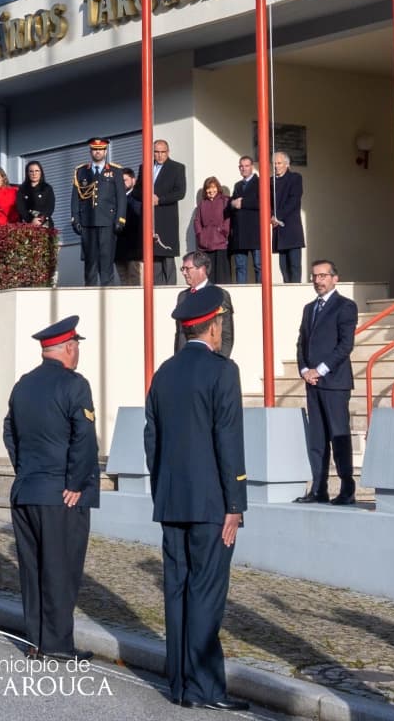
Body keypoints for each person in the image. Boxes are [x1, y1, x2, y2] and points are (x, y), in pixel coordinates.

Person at [146, 285, 249, 711]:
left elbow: (152, 438)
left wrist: (162, 490)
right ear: (213, 326)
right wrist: (235, 503)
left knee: (177, 591)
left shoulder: (164, 372)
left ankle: (179, 684)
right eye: (220, 323)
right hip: (211, 504)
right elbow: (228, 439)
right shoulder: (223, 371)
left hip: (172, 500)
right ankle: (205, 687)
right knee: (206, 592)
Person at [3, 315, 99, 660]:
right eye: (77, 347)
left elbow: (9, 432)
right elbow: (84, 438)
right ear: (69, 348)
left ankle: (37, 640)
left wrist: (24, 470)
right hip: (61, 494)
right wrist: (76, 482)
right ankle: (57, 644)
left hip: (27, 490)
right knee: (61, 567)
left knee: (32, 569)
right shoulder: (75, 385)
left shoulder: (23, 385)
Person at [295, 260, 357, 505]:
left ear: (334, 278)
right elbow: (301, 342)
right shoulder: (309, 308)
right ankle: (319, 488)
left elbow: (345, 345)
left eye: (323, 276)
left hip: (334, 382)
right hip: (312, 383)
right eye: (314, 276)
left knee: (338, 435)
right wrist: (304, 370)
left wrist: (320, 370)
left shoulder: (346, 306)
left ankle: (347, 487)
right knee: (317, 439)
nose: (318, 281)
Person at [71, 139, 126, 287]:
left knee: (106, 262)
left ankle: (107, 296)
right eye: (95, 149)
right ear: (90, 151)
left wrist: (120, 219)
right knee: (90, 264)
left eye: (100, 149)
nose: (97, 152)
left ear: (105, 151)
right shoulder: (81, 171)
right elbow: (75, 199)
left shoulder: (115, 171)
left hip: (108, 222)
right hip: (88, 223)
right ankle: (90, 295)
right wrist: (75, 219)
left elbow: (121, 198)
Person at [173, 253, 234, 358]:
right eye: (182, 269)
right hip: (185, 360)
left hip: (209, 361)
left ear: (202, 269)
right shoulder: (183, 296)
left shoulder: (220, 295)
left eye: (187, 269)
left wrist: (218, 363)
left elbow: (226, 336)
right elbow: (179, 334)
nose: (184, 273)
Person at [149, 141, 188, 285]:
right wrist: (146, 197)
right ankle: (156, 290)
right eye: (156, 152)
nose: (159, 155)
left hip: (167, 218)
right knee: (154, 258)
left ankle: (170, 289)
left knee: (167, 257)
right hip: (150, 219)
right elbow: (138, 190)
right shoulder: (146, 167)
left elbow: (180, 192)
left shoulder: (177, 168)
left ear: (168, 152)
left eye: (162, 152)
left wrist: (159, 200)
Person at [269, 151, 305, 283]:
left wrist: (277, 216)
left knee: (294, 266)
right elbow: (267, 202)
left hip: (291, 228)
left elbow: (294, 200)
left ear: (287, 164)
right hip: (279, 230)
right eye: (274, 163)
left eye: (279, 163)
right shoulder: (270, 181)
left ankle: (296, 291)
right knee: (283, 267)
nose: (276, 166)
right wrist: (271, 216)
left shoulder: (295, 178)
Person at [227, 157, 263, 284]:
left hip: (255, 231)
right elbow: (233, 203)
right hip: (240, 232)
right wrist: (232, 204)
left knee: (259, 266)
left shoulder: (260, 182)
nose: (244, 168)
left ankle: (261, 290)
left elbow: (262, 202)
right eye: (241, 166)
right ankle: (240, 292)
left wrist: (243, 203)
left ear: (252, 166)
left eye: (246, 166)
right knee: (240, 266)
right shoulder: (237, 185)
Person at [192, 178, 231, 283]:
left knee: (221, 275)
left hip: (220, 243)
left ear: (218, 188)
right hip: (205, 245)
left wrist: (223, 232)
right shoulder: (202, 204)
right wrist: (200, 235)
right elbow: (197, 221)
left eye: (213, 187)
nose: (211, 190)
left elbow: (227, 219)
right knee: (208, 274)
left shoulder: (224, 201)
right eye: (208, 188)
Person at [113, 168, 145, 284]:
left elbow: (136, 218)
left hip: (133, 248)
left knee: (135, 278)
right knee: (123, 281)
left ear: (133, 180)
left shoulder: (138, 197)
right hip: (118, 248)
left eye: (125, 180)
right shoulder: (114, 199)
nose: (122, 183)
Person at [17, 161, 56, 231]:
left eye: (37, 171)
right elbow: (21, 208)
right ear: (27, 173)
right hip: (28, 226)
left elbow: (50, 207)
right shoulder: (22, 189)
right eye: (31, 171)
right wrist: (31, 220)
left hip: (46, 225)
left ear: (41, 172)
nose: (34, 174)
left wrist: (41, 219)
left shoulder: (47, 188)